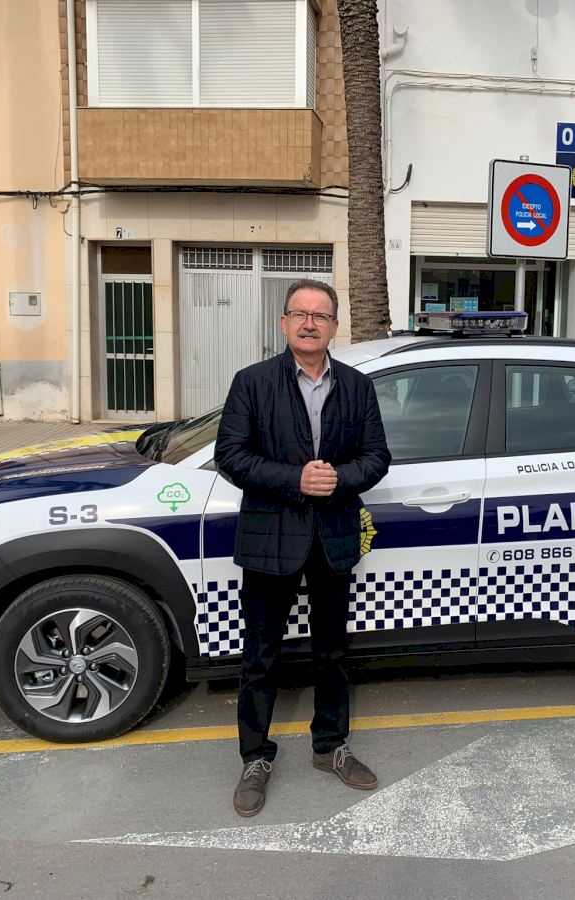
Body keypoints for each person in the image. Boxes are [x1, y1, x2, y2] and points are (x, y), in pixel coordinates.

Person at [214, 279, 391, 816]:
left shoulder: (357, 386)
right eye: (300, 313)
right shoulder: (252, 382)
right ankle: (255, 758)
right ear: (284, 323)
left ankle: (330, 746)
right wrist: (296, 479)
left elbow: (377, 457)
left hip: (332, 537)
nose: (310, 323)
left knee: (332, 653)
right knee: (261, 656)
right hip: (270, 538)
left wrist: (338, 479)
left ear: (335, 326)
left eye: (320, 315)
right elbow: (230, 455)